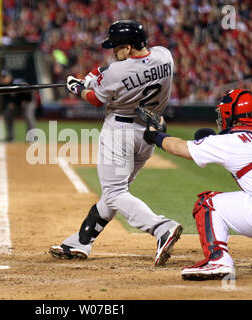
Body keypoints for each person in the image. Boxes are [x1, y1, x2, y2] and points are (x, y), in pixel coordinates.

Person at [49, 20, 183, 266]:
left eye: (117, 47)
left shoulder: (116, 73)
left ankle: (161, 227)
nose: (114, 51)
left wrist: (77, 87)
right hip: (149, 134)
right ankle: (82, 240)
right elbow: (123, 71)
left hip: (120, 132)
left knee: (114, 192)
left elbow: (95, 99)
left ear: (129, 47)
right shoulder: (165, 56)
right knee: (116, 193)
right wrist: (98, 75)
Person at [143, 88, 252, 280]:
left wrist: (155, 136)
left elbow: (179, 147)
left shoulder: (227, 140)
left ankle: (218, 259)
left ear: (231, 114)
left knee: (207, 202)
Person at [0, 69, 36, 142]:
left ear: (9, 77)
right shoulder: (3, 86)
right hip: (17, 104)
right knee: (8, 113)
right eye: (2, 77)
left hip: (28, 102)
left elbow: (28, 90)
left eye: (5, 77)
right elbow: (7, 98)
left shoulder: (17, 82)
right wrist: (11, 102)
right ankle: (10, 137)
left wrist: (26, 100)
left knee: (28, 115)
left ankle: (32, 138)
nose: (3, 79)